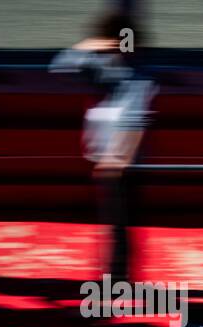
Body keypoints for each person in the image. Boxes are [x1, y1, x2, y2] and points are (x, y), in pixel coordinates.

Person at [50, 12, 156, 284]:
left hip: (121, 164)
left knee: (119, 224)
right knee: (113, 223)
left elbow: (137, 118)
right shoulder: (104, 70)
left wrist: (118, 158)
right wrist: (90, 44)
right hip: (106, 159)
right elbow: (59, 67)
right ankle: (117, 277)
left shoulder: (138, 76)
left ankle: (118, 279)